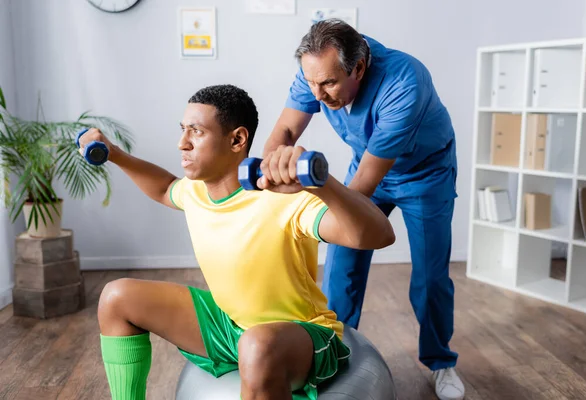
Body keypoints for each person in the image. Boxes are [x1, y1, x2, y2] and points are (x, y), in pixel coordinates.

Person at [80, 84, 395, 400]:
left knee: (256, 344)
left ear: (237, 140)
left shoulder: (284, 198)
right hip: (228, 324)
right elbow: (163, 188)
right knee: (116, 297)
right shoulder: (196, 191)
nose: (182, 143)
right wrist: (116, 154)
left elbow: (378, 235)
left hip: (300, 338)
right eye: (182, 130)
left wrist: (321, 184)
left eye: (196, 132)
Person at [263, 19, 464, 400]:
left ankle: (441, 362)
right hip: (366, 162)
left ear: (358, 68)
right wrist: (271, 176)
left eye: (328, 85)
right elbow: (285, 133)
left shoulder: (404, 82)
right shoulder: (320, 66)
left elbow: (361, 191)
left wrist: (308, 194)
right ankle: (332, 353)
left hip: (424, 174)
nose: (318, 95)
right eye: (311, 84)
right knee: (341, 264)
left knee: (429, 276)